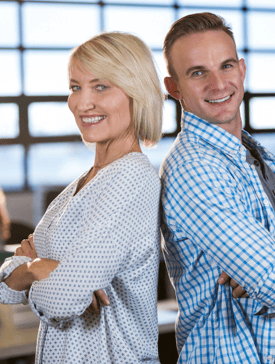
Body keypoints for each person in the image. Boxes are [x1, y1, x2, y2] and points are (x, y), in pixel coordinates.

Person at [160, 12, 275, 364]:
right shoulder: (194, 168)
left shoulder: (257, 154)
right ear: (173, 87)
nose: (218, 84)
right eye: (197, 72)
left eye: (226, 66)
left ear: (242, 70)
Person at [0, 31, 163, 363]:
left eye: (101, 86)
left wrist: (35, 270)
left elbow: (62, 299)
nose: (82, 102)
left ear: (137, 92)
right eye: (76, 87)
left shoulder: (132, 178)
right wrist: (38, 268)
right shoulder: (82, 184)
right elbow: (5, 284)